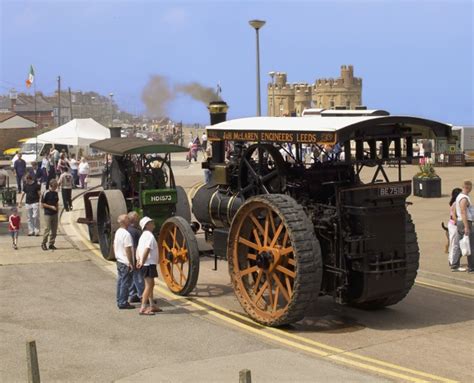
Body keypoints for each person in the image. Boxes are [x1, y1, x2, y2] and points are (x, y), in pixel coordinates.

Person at [136, 217, 162, 315]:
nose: (153, 223)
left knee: (151, 284)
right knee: (148, 285)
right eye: (151, 222)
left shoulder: (143, 236)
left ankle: (152, 305)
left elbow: (138, 249)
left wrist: (139, 260)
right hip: (148, 264)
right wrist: (142, 261)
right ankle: (143, 308)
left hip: (147, 263)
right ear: (147, 225)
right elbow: (146, 249)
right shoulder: (149, 236)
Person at [113, 214, 135, 310]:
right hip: (125, 262)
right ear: (125, 222)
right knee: (125, 283)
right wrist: (130, 262)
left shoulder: (118, 232)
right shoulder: (126, 234)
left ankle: (119, 300)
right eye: (127, 218)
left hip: (119, 260)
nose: (129, 220)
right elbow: (128, 249)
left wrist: (117, 256)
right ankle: (123, 302)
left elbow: (114, 245)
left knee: (120, 281)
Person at [455, 180, 474, 273]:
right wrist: (466, 226)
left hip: (460, 222)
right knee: (470, 245)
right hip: (465, 223)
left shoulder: (459, 197)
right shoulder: (464, 199)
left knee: (461, 243)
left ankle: (454, 263)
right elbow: (463, 212)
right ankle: (471, 267)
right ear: (468, 188)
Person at [127, 211, 144, 304]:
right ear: (134, 219)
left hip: (130, 258)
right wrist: (136, 259)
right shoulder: (135, 231)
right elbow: (134, 246)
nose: (139, 219)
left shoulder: (128, 230)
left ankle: (133, 295)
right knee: (139, 277)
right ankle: (142, 295)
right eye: (138, 217)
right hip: (135, 257)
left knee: (133, 277)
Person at [41, 179, 59, 251]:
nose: (56, 188)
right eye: (55, 186)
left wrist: (57, 208)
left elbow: (57, 202)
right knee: (47, 229)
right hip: (48, 214)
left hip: (55, 213)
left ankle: (51, 243)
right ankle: (43, 243)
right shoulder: (46, 193)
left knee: (54, 230)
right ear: (51, 186)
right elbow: (42, 204)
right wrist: (50, 207)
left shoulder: (55, 193)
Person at [448, 188, 462, 269]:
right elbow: (453, 215)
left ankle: (453, 260)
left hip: (455, 225)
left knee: (456, 244)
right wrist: (458, 223)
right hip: (454, 225)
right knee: (453, 243)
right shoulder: (455, 204)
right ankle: (452, 261)